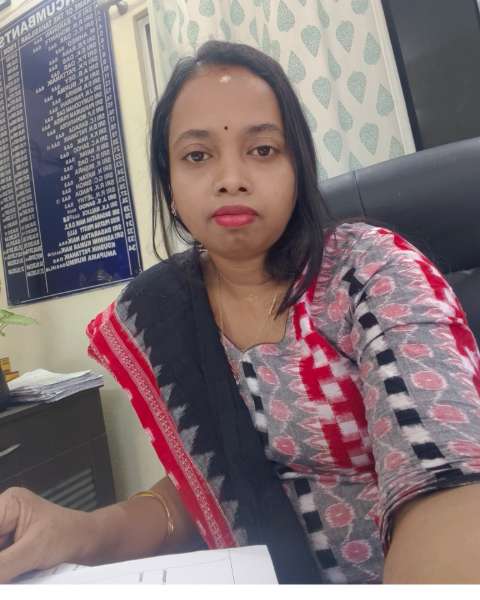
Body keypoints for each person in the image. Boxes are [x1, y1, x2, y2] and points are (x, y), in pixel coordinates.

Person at [1, 40, 480, 585]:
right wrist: (76, 531)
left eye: (263, 149)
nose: (231, 178)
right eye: (197, 156)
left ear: (298, 168)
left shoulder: (372, 270)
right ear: (170, 186)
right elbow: (207, 492)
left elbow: (444, 470)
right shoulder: (159, 311)